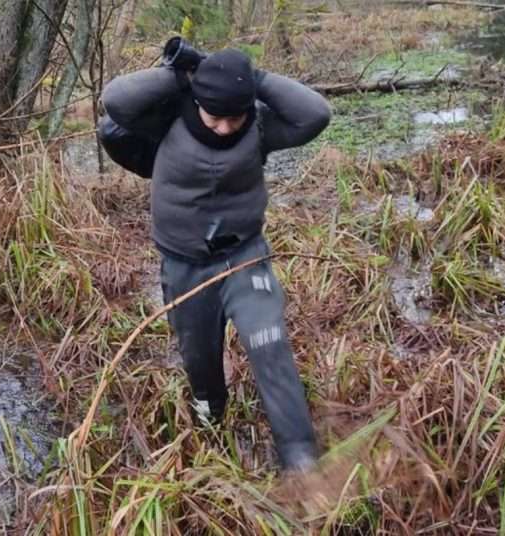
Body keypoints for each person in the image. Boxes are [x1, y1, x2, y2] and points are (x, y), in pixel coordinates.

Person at [99, 39, 331, 472]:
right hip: (185, 265)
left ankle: (299, 457)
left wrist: (254, 78)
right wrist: (185, 73)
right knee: (199, 358)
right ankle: (210, 422)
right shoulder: (166, 121)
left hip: (244, 258)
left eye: (235, 116)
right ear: (197, 101)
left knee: (269, 342)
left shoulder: (259, 126)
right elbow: (115, 99)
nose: (225, 127)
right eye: (215, 115)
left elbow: (316, 113)